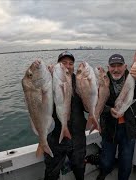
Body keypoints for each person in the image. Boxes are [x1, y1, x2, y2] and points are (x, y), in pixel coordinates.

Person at [97, 52, 136, 180]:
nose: (116, 69)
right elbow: (96, 103)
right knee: (106, 160)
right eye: (112, 66)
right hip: (108, 129)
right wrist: (108, 110)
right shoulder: (103, 80)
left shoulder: (133, 78)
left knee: (126, 162)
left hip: (128, 129)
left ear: (125, 66)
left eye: (119, 65)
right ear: (108, 67)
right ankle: (103, 173)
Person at [44, 51, 87, 180]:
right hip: (56, 138)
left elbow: (89, 107)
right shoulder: (50, 80)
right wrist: (47, 77)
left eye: (70, 63)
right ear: (58, 65)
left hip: (78, 137)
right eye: (63, 63)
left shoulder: (80, 81)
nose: (67, 66)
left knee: (79, 169)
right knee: (52, 172)